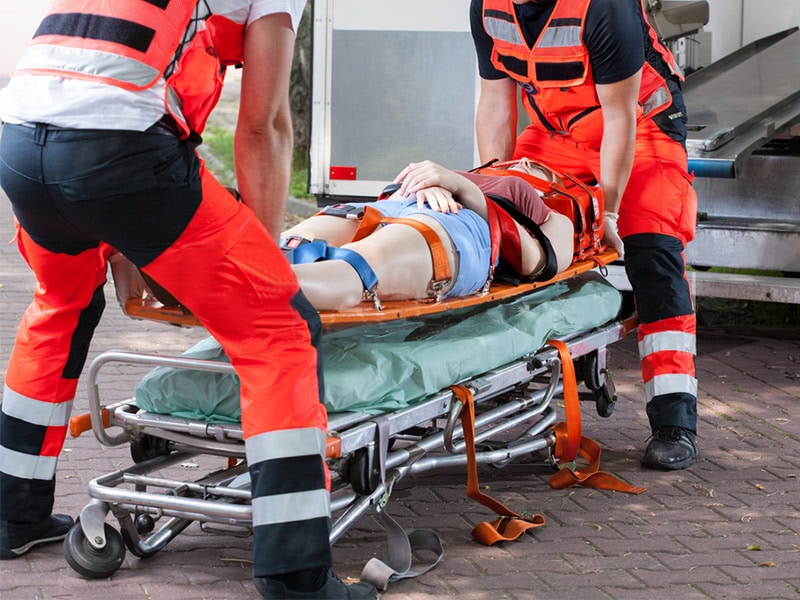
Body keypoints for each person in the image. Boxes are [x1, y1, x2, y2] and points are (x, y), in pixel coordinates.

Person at [0, 1, 375, 598]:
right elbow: (263, 127)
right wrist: (263, 265)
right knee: (278, 326)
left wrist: (120, 242)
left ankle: (13, 515)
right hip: (121, 150)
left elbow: (98, 72)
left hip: (21, 143)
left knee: (60, 306)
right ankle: (296, 575)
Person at [470, 0, 699, 470]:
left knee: (651, 252)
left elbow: (620, 118)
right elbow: (495, 101)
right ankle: (522, 379)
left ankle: (674, 420)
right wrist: (497, 189)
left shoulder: (604, 7)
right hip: (556, 136)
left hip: (642, 127)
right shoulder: (488, 6)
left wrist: (608, 212)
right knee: (512, 238)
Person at [281, 159, 574, 311]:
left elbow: (538, 264)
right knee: (289, 248)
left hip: (456, 224)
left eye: (540, 169)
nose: (524, 160)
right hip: (392, 204)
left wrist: (464, 188)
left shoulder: (557, 218)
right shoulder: (463, 174)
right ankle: (255, 279)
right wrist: (433, 181)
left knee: (355, 268)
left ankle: (255, 292)